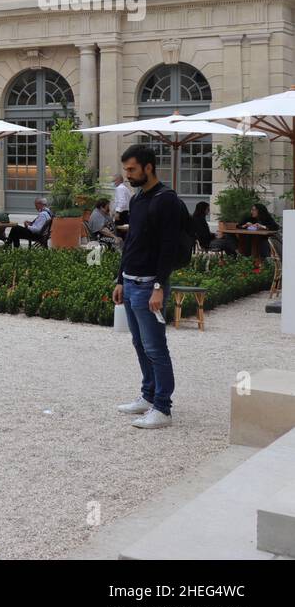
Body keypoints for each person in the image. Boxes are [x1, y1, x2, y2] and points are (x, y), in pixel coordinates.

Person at [112, 145, 183, 430]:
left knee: (155, 348)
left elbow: (168, 248)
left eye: (132, 169)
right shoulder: (138, 199)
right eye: (126, 170)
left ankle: (163, 408)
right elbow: (131, 244)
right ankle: (148, 395)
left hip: (148, 285)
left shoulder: (166, 200)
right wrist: (120, 279)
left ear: (148, 167)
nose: (127, 175)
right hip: (130, 283)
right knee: (140, 344)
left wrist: (158, 286)